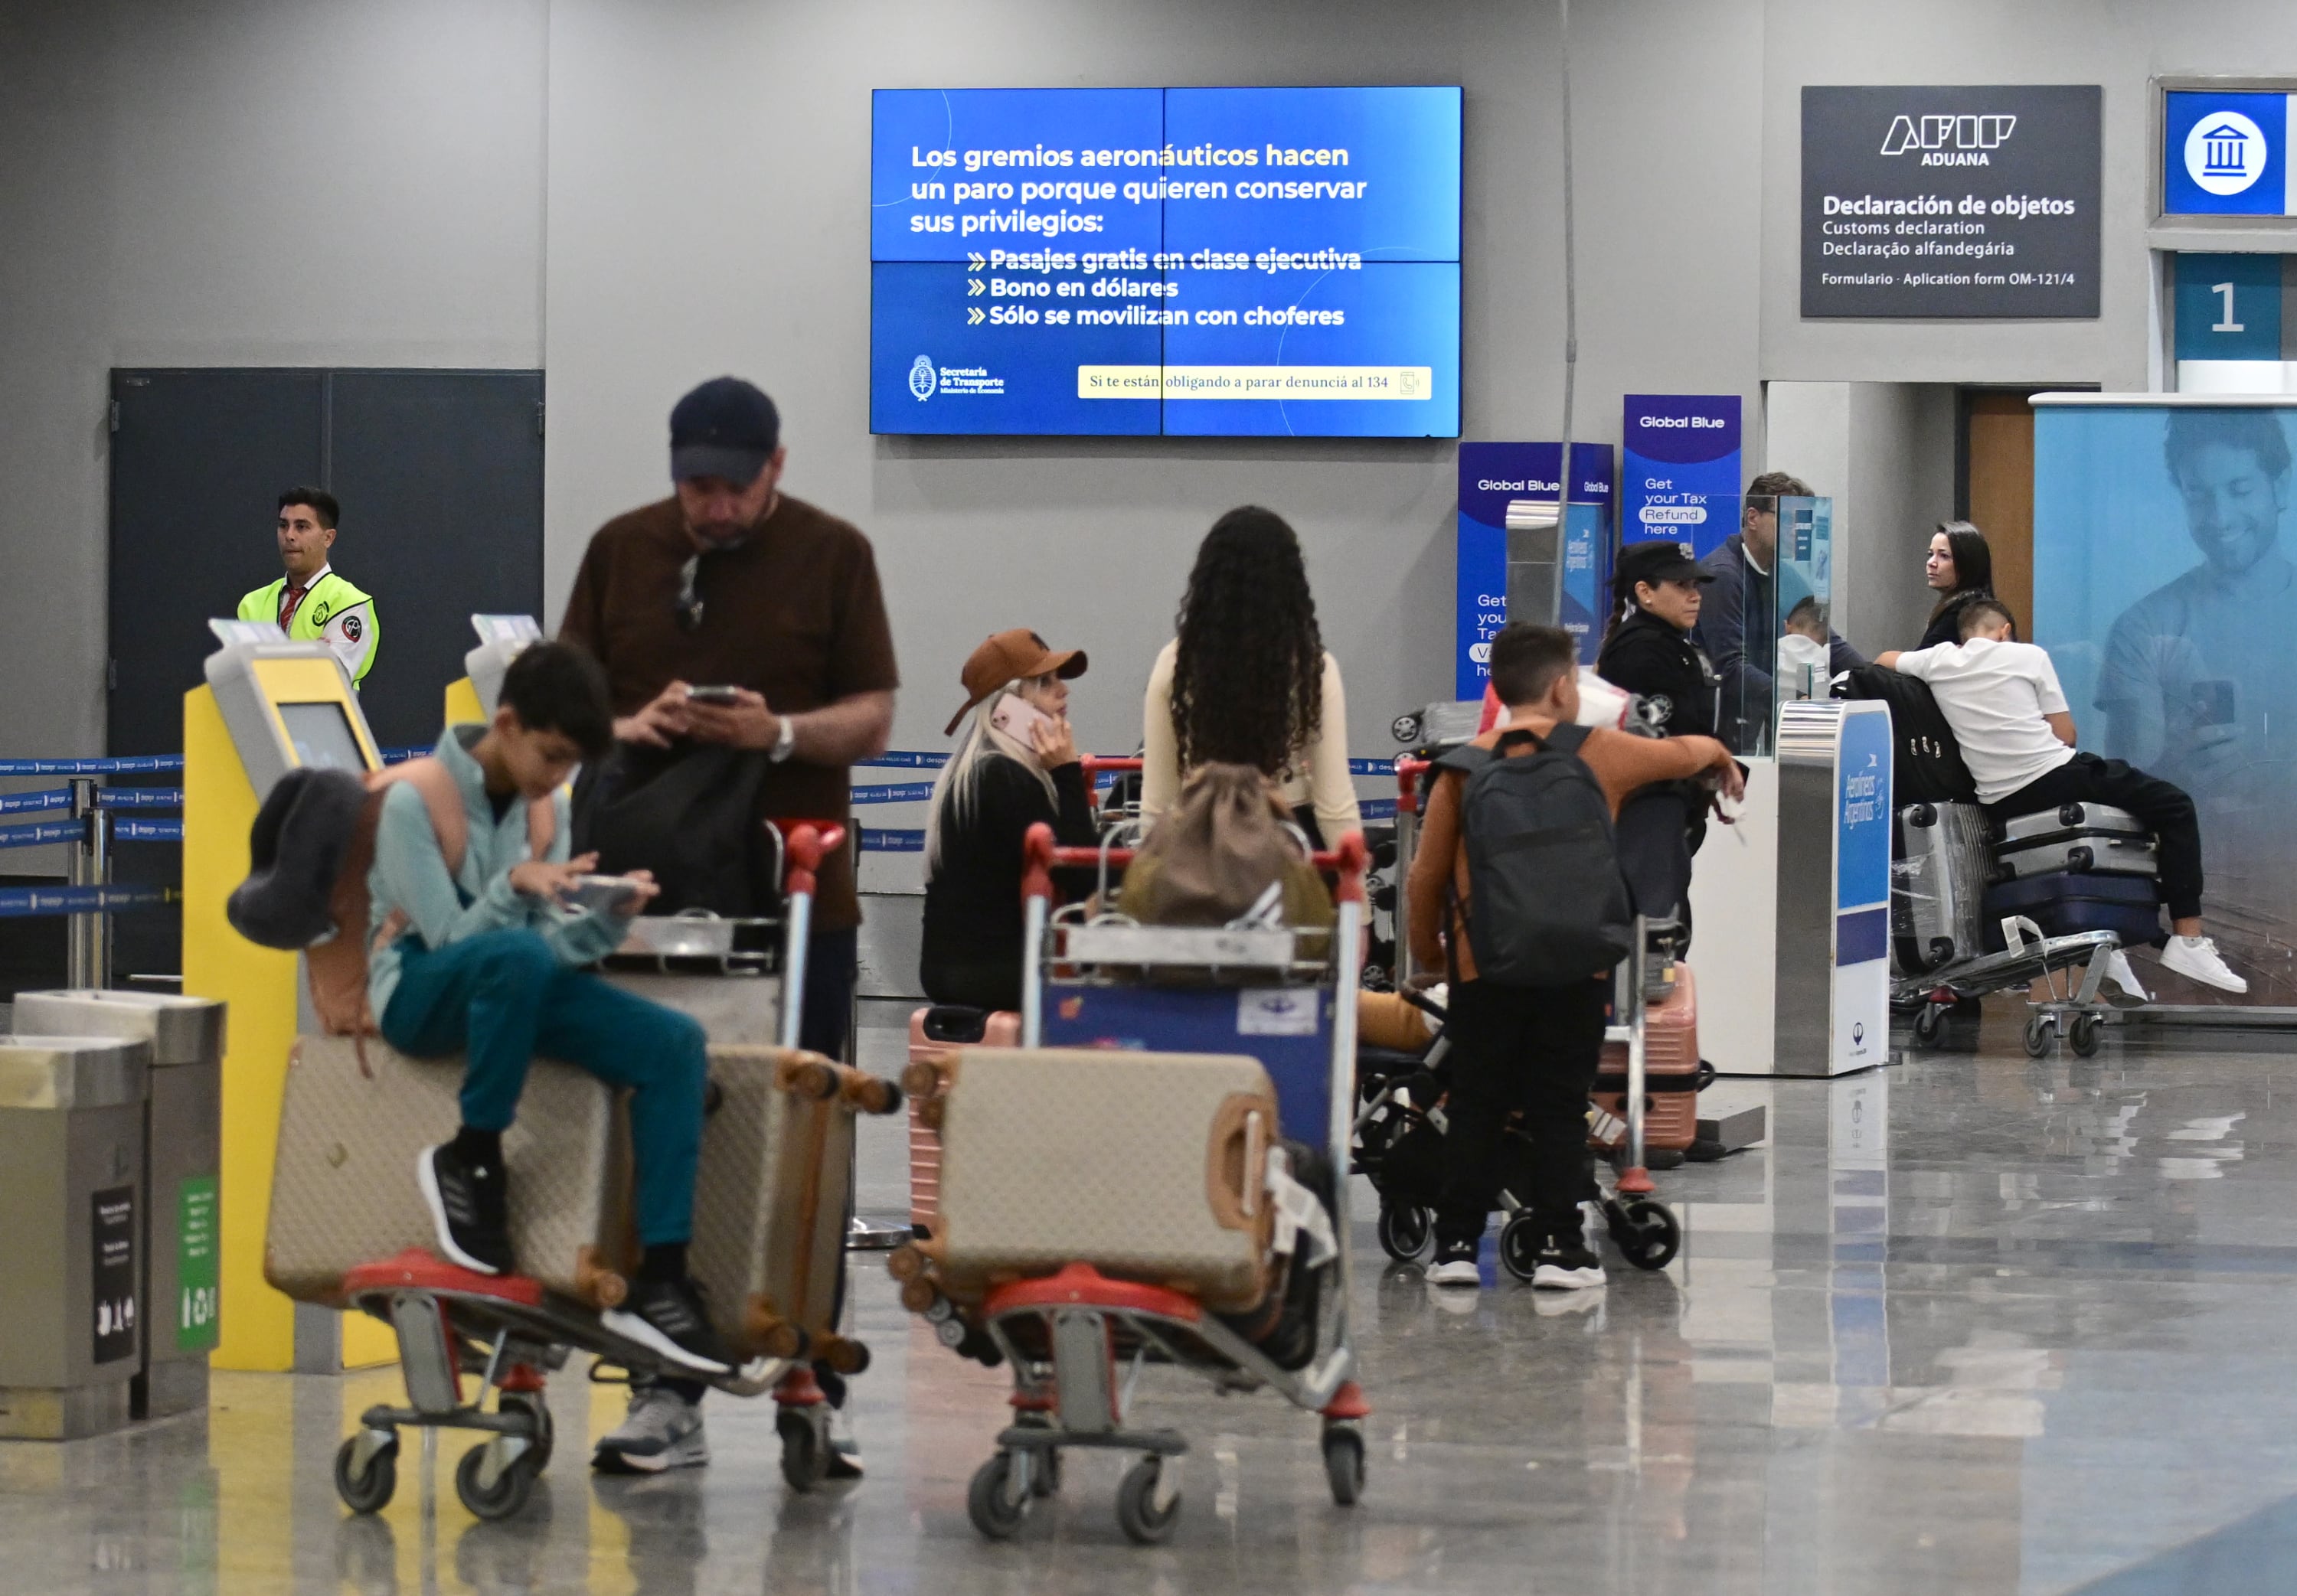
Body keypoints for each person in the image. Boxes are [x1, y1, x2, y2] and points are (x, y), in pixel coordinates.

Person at [558, 375, 897, 1474]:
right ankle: (664, 1387)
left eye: (733, 487)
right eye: (695, 486)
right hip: (653, 908)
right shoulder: (620, 550)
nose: (713, 507)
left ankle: (807, 1377)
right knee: (665, 1129)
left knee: (808, 1135)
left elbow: (875, 715)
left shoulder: (835, 554)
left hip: (803, 903)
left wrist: (779, 732)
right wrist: (630, 721)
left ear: (777, 468)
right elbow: (562, 718)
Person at [372, 642, 730, 1373]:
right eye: (554, 756)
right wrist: (515, 884)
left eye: (573, 765)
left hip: (512, 973)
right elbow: (448, 941)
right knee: (516, 957)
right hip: (416, 989)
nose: (560, 776)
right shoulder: (411, 799)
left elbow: (547, 949)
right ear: (506, 723)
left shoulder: (548, 806)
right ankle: (470, 1158)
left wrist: (603, 919)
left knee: (673, 1045)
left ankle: (661, 1274)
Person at [1407, 622, 1743, 1292]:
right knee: (1559, 1104)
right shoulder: (1600, 753)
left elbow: (1425, 880)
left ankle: (1452, 1248)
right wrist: (1721, 759)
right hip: (1575, 966)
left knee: (1475, 1101)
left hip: (1484, 967)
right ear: (1564, 688)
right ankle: (1563, 1248)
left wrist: (1433, 960)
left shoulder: (1463, 767)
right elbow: (1685, 751)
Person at [1879, 599, 2246, 995]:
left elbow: (1884, 659)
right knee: (2174, 806)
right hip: (2051, 775)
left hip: (1999, 799)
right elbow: (2066, 735)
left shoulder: (1938, 661)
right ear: (2005, 631)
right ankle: (2187, 939)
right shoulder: (2028, 656)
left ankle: (2104, 950)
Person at [1142, 506, 1361, 847]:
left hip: (1203, 844)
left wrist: (1150, 888)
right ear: (1292, 582)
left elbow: (1157, 803)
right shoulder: (1312, 667)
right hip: (1289, 843)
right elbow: (1334, 802)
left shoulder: (1175, 664)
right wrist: (1356, 893)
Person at [920, 629, 1096, 1011]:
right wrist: (1067, 773)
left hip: (958, 971)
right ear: (1008, 708)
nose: (1063, 691)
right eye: (1044, 683)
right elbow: (1083, 878)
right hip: (995, 974)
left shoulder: (971, 773)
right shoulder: (1003, 778)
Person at [1692, 471, 1867, 752]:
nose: (1798, 531)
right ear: (1753, 518)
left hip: (1761, 727)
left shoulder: (1784, 574)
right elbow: (1730, 666)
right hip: (1720, 735)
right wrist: (1798, 697)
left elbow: (1825, 640)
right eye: (1788, 519)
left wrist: (1875, 680)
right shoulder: (1723, 575)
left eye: (1803, 522)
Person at [238, 487, 377, 687]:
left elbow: (328, 679)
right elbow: (242, 679)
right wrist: (311, 655)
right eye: (283, 525)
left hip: (321, 718)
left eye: (302, 527)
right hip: (258, 718)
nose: (289, 535)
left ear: (328, 538)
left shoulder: (351, 603)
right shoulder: (252, 603)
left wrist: (268, 663)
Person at [1595, 540, 1720, 739]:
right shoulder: (1643, 649)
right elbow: (1670, 740)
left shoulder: (1669, 643)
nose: (1696, 596)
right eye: (1681, 585)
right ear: (1645, 592)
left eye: (1695, 585)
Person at [1915, 521, 1995, 650]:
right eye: (1931, 554)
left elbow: (1921, 664)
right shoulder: (1967, 605)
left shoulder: (1965, 612)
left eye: (1944, 556)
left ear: (1968, 563)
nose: (1931, 563)